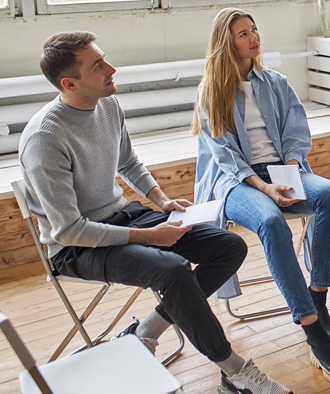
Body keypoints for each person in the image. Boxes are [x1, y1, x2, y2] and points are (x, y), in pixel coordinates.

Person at [18, 32, 291, 394]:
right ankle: (234, 370)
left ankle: (145, 331)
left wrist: (162, 202)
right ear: (70, 83)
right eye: (98, 66)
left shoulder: (107, 105)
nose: (111, 69)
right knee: (173, 270)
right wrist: (150, 236)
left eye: (105, 58)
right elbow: (68, 230)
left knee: (229, 247)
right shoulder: (45, 139)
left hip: (120, 216)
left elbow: (128, 162)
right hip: (75, 248)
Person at [191, 8, 330, 386]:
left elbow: (297, 134)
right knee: (269, 221)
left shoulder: (277, 82)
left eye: (253, 30)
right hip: (236, 183)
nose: (253, 38)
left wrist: (290, 170)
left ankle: (318, 294)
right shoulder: (211, 92)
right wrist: (266, 187)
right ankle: (312, 329)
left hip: (284, 170)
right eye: (242, 34)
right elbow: (226, 158)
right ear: (225, 43)